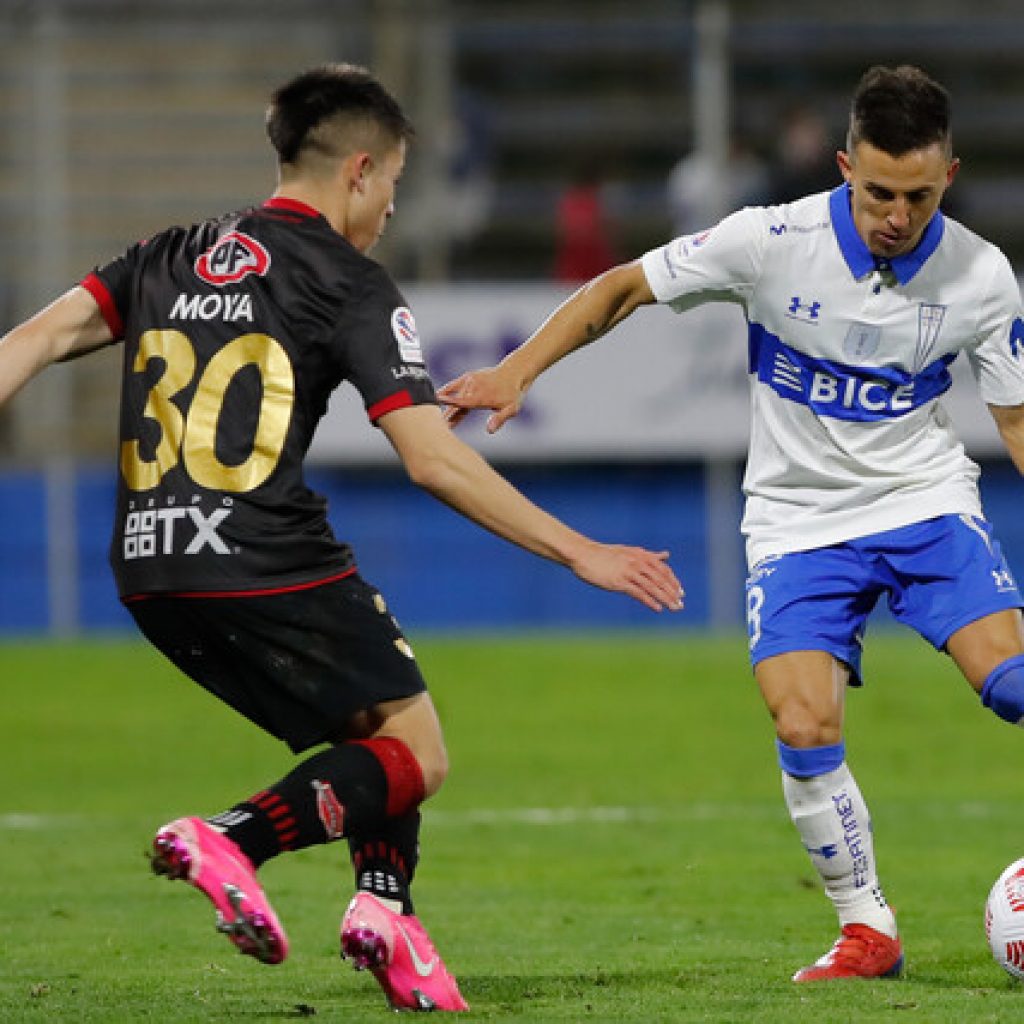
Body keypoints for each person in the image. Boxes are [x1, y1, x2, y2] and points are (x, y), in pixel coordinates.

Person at [0, 64, 683, 1012]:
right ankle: (234, 839)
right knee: (420, 754)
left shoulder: (167, 251)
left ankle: (385, 913)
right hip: (259, 551)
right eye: (394, 186)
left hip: (148, 564)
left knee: (372, 720)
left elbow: (28, 341)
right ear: (360, 170)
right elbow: (433, 460)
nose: (392, 210)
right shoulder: (348, 281)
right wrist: (581, 551)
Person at [440, 64, 1024, 982]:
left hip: (923, 503)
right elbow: (619, 289)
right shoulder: (770, 240)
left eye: (916, 195)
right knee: (800, 721)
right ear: (843, 168)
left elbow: (1018, 426)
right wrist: (518, 370)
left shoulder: (983, 277)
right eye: (876, 192)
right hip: (795, 521)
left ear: (947, 177)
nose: (896, 215)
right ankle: (866, 929)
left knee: (1014, 683)